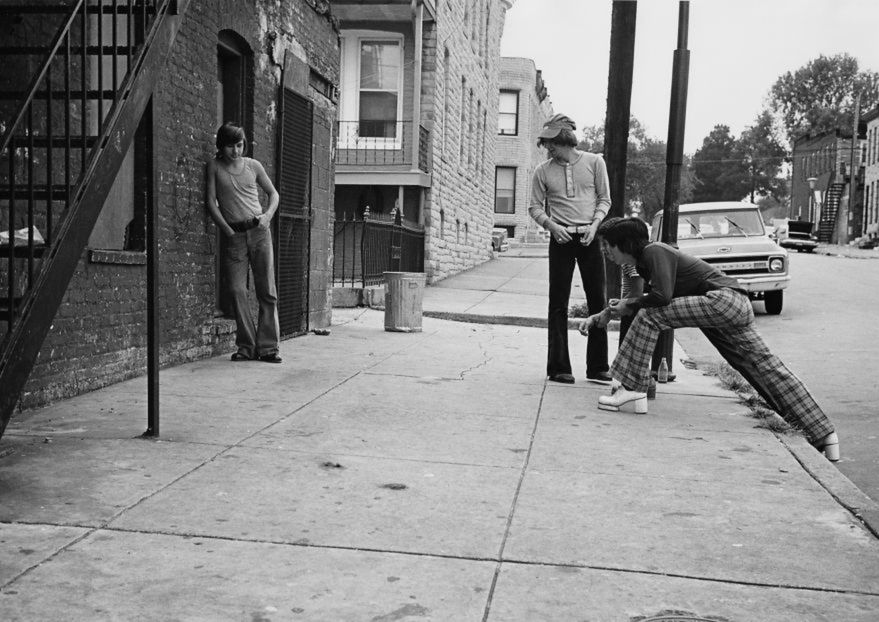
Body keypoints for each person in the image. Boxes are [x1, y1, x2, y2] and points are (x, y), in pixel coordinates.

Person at [580, 217, 839, 461]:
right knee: (760, 366)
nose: (605, 251)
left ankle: (633, 389)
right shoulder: (643, 263)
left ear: (623, 243)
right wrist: (604, 314)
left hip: (722, 301)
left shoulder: (654, 251)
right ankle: (822, 433)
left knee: (650, 315)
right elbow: (634, 301)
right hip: (734, 304)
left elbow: (660, 299)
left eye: (607, 245)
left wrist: (631, 304)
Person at [529, 113, 612, 384]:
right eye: (546, 143)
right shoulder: (542, 171)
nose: (548, 148)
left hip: (589, 238)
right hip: (561, 240)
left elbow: (604, 199)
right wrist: (552, 227)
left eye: (552, 142)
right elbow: (535, 207)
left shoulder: (594, 162)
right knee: (558, 302)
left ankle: (598, 367)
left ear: (565, 139)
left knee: (597, 299)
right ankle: (559, 367)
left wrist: (595, 225)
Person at [206, 122, 282, 363]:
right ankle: (247, 347)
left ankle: (268, 348)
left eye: (239, 145)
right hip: (234, 236)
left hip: (259, 231)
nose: (236, 151)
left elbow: (274, 194)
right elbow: (209, 201)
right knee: (237, 290)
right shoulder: (214, 167)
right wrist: (227, 230)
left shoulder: (253, 166)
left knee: (266, 289)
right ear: (221, 145)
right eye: (230, 146)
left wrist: (267, 217)